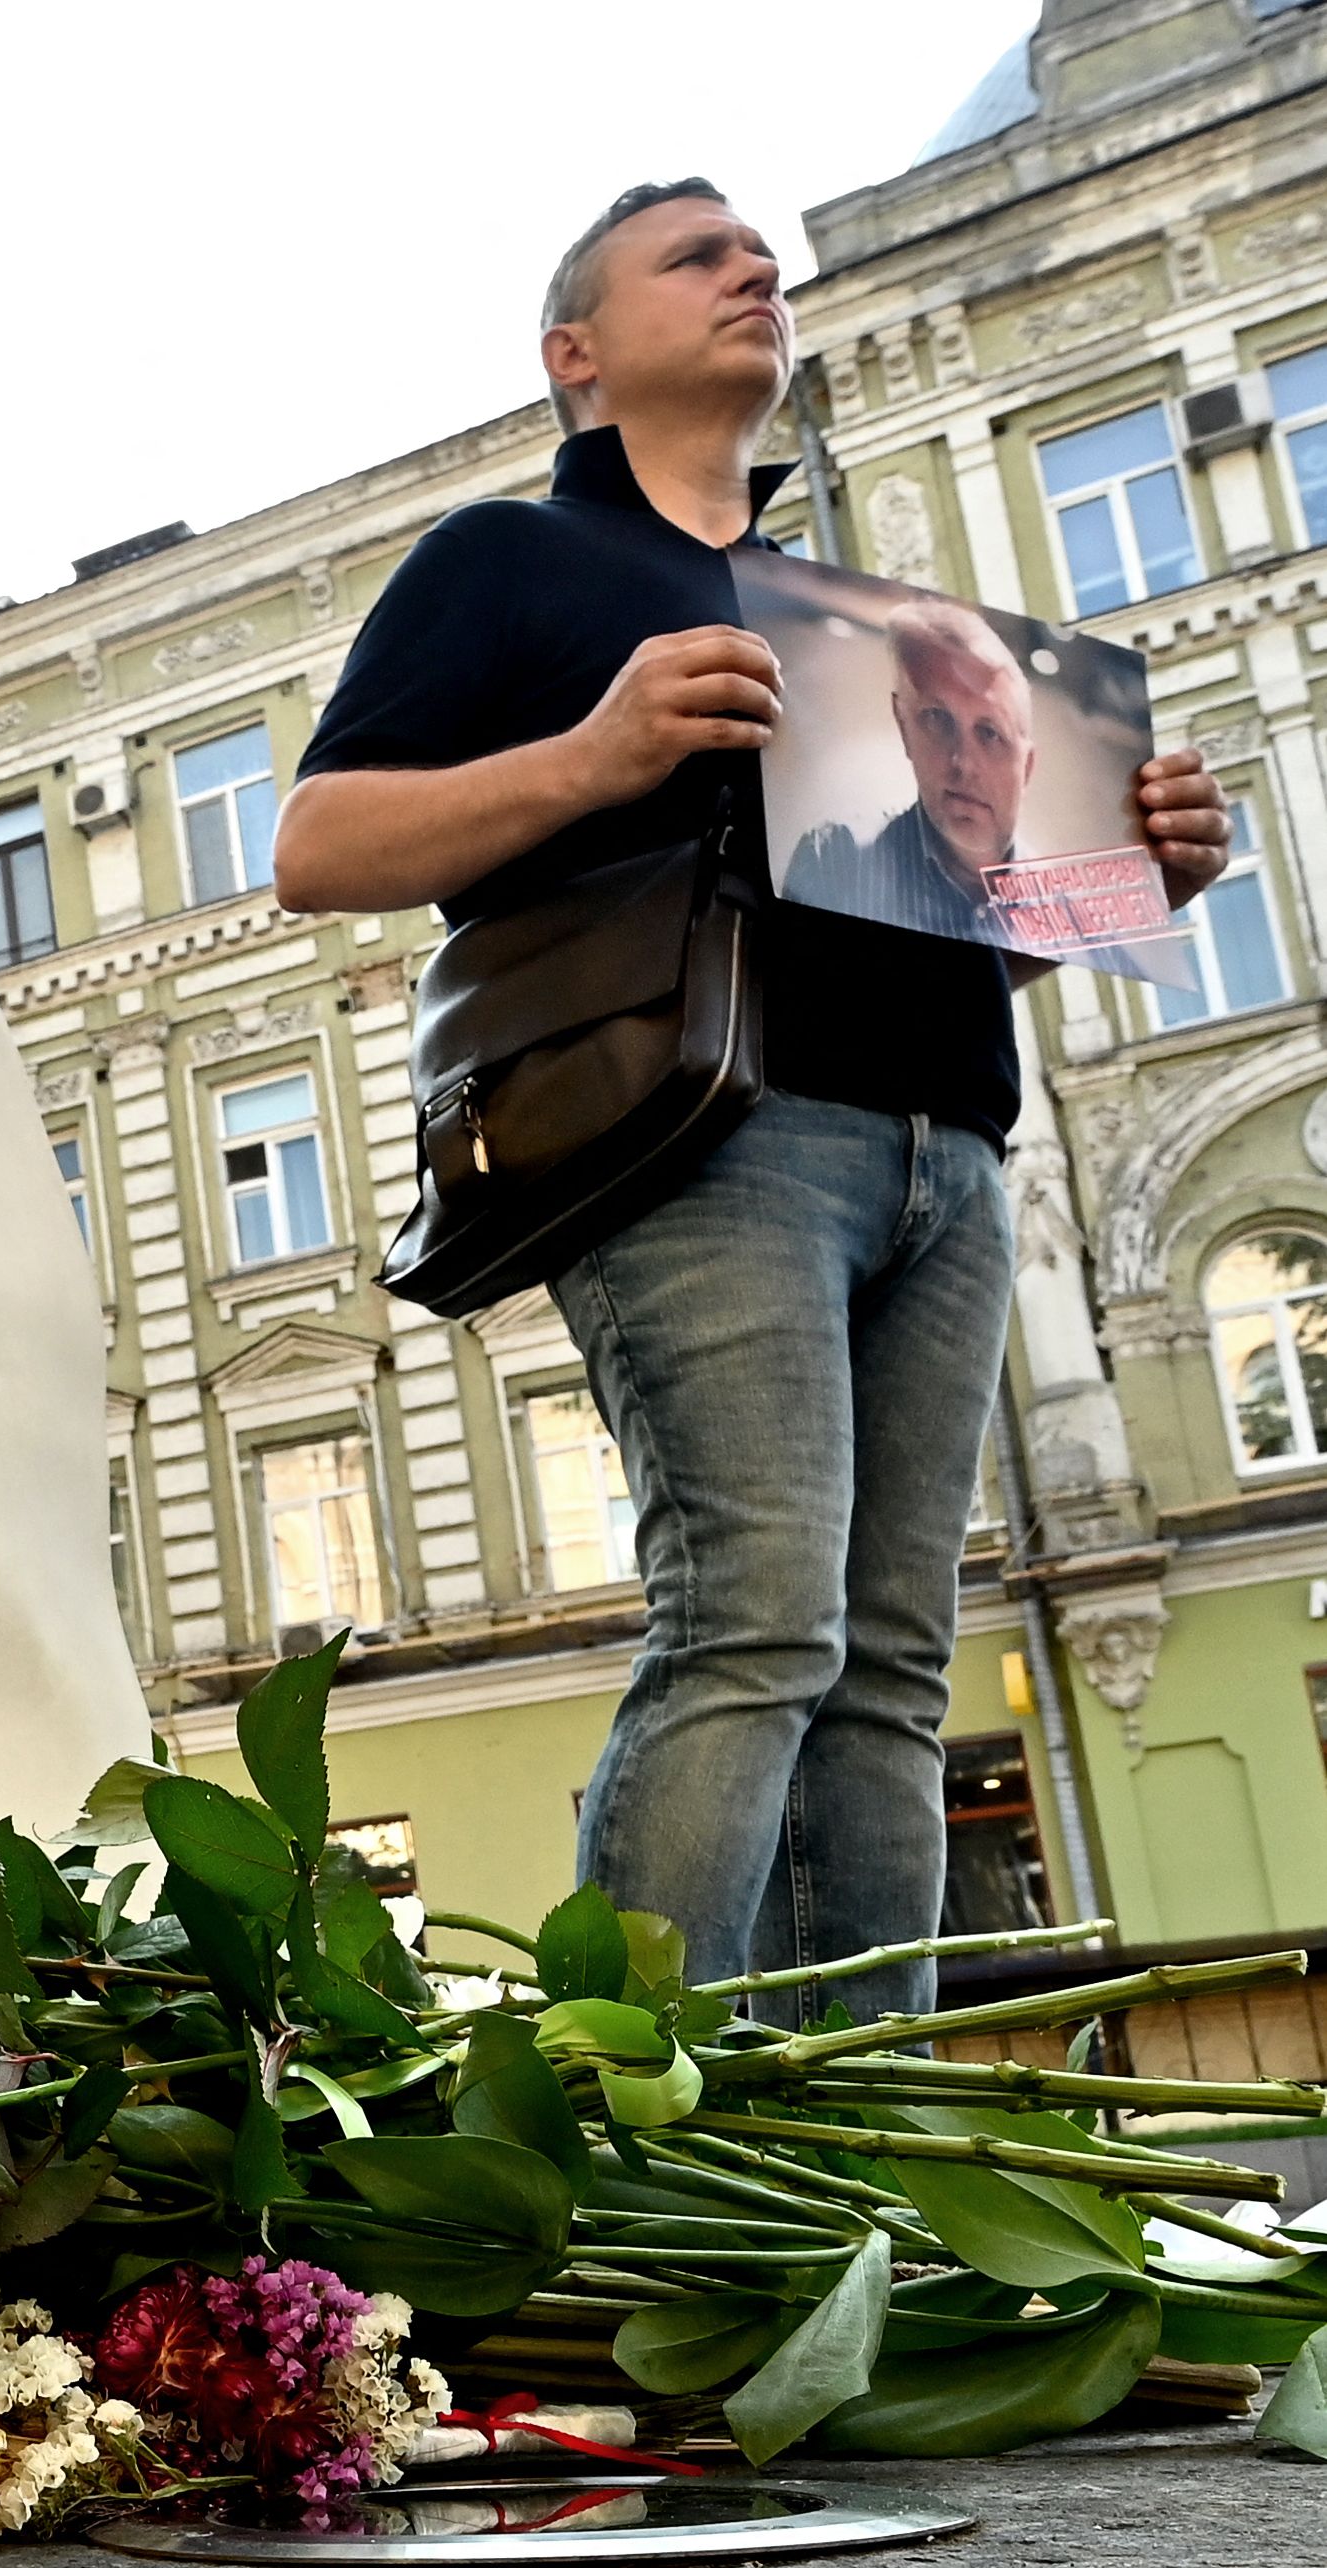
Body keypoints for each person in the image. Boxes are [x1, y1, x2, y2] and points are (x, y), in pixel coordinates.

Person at [269, 182, 1231, 2007]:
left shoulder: (867, 619)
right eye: (695, 258)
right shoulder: (511, 562)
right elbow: (318, 845)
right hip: (708, 1138)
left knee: (887, 1661)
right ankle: (619, 2126)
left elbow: (918, 928)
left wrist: (1130, 882)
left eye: (759, 257)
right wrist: (593, 749)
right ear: (576, 355)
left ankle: (852, 2138)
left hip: (950, 1146)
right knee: (751, 1626)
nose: (752, 273)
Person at [778, 598, 1042, 949]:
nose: (962, 762)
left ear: (1026, 767)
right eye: (937, 718)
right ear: (904, 726)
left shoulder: (1080, 905)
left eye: (990, 733)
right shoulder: (836, 857)